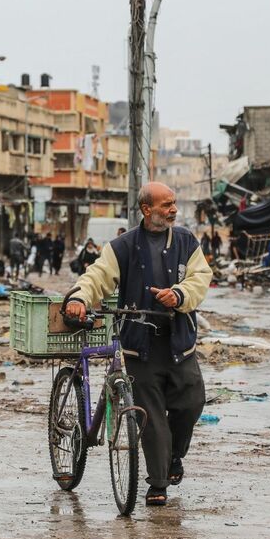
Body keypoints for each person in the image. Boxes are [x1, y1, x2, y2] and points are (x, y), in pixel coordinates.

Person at [63, 182, 211, 507]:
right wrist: (78, 298)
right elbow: (97, 276)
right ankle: (157, 483)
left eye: (174, 204)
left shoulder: (186, 240)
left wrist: (179, 295)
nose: (173, 209)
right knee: (152, 416)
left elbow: (200, 278)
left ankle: (174, 457)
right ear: (147, 210)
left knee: (192, 402)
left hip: (179, 342)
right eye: (166, 205)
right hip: (139, 346)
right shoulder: (123, 246)